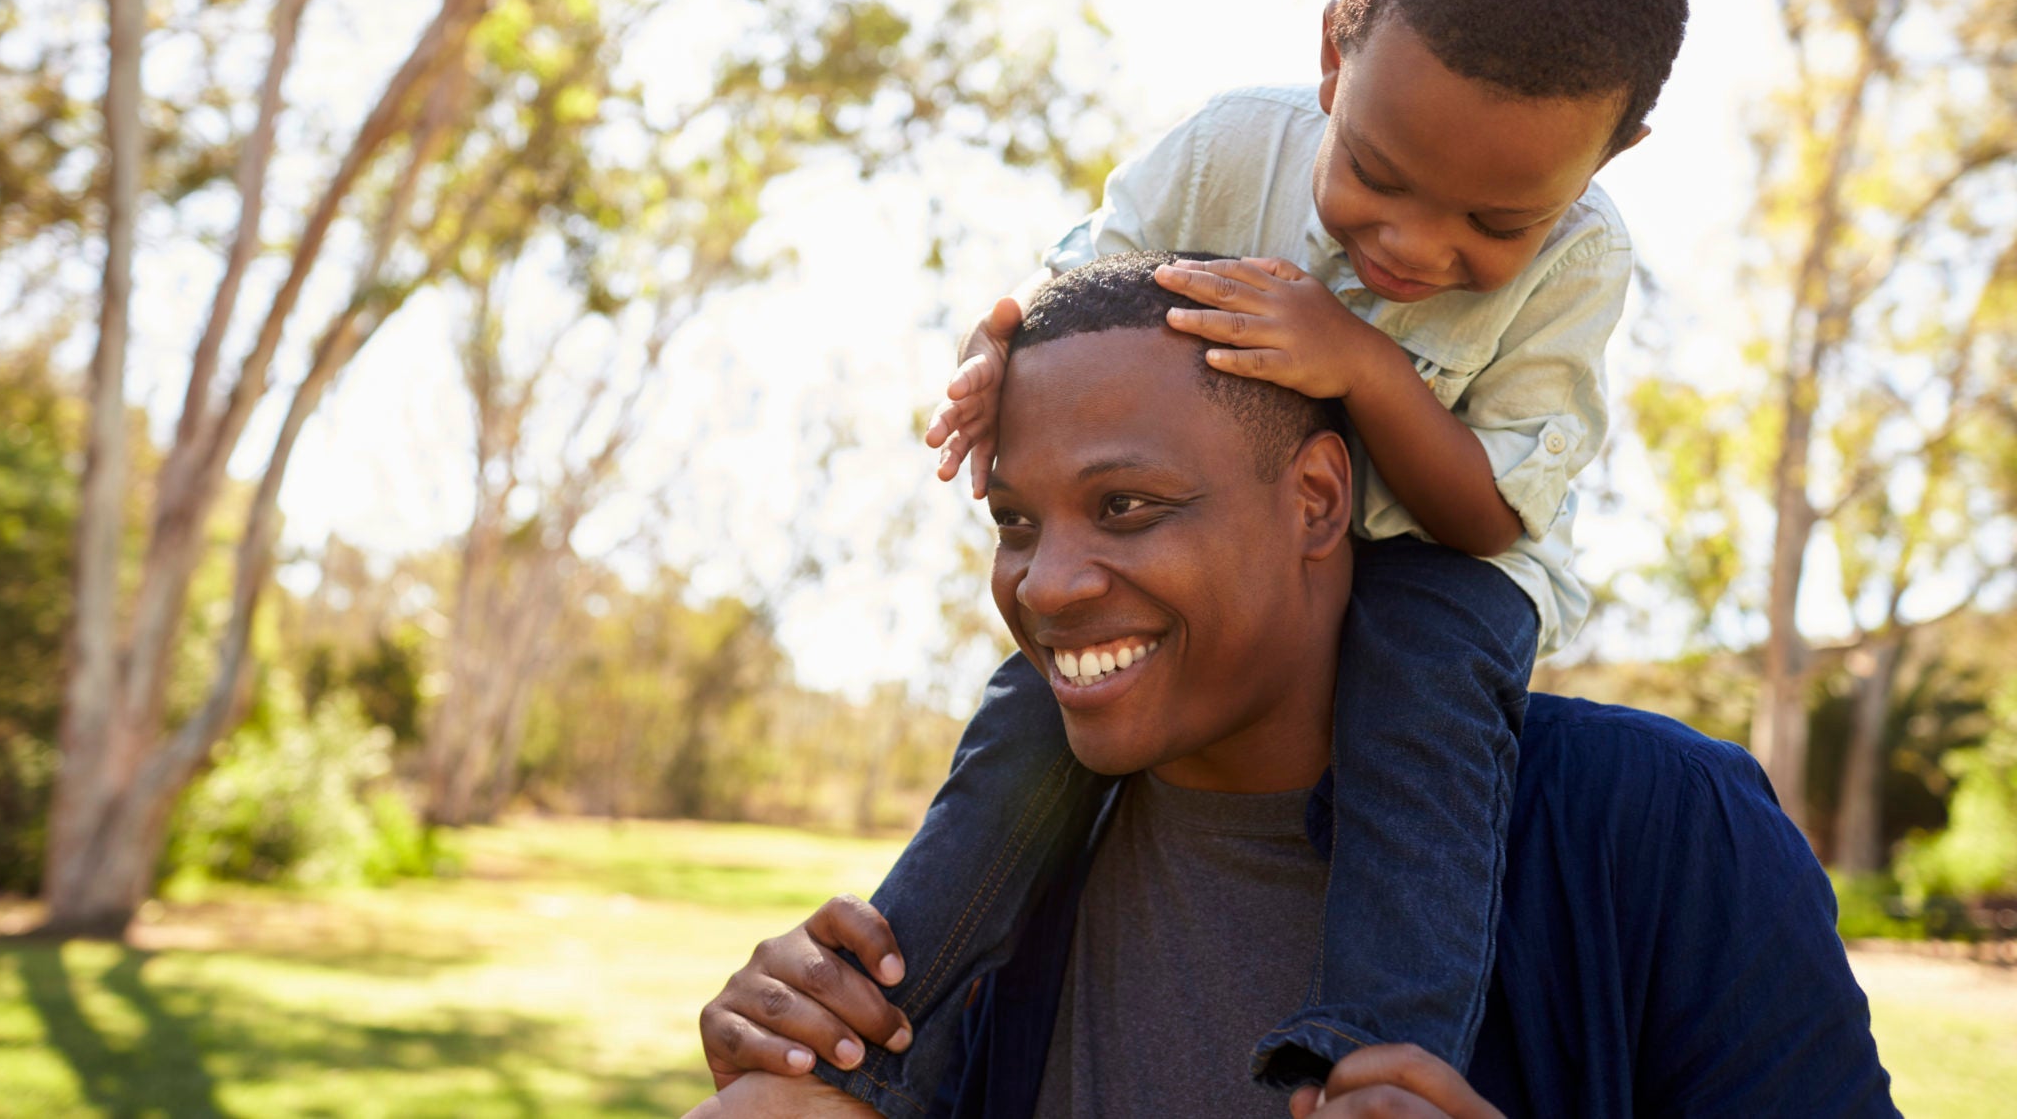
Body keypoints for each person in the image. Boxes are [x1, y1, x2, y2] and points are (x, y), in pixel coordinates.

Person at [691, 254, 1897, 1118]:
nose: (1045, 585)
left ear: (1317, 500)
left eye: (1125, 507)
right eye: (1013, 521)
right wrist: (791, 1069)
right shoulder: (1010, 862)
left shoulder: (1662, 828)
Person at [878, 0, 1692, 1105]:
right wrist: (998, 355)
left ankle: (1370, 1052)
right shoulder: (1228, 151)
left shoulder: (1581, 264)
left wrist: (1360, 364)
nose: (1415, 242)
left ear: (1610, 154)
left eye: (1494, 224)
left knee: (1422, 716)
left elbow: (1487, 516)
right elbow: (1071, 303)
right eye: (1374, 173)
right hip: (1225, 560)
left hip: (1444, 557)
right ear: (1330, 59)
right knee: (1027, 713)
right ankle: (874, 1015)